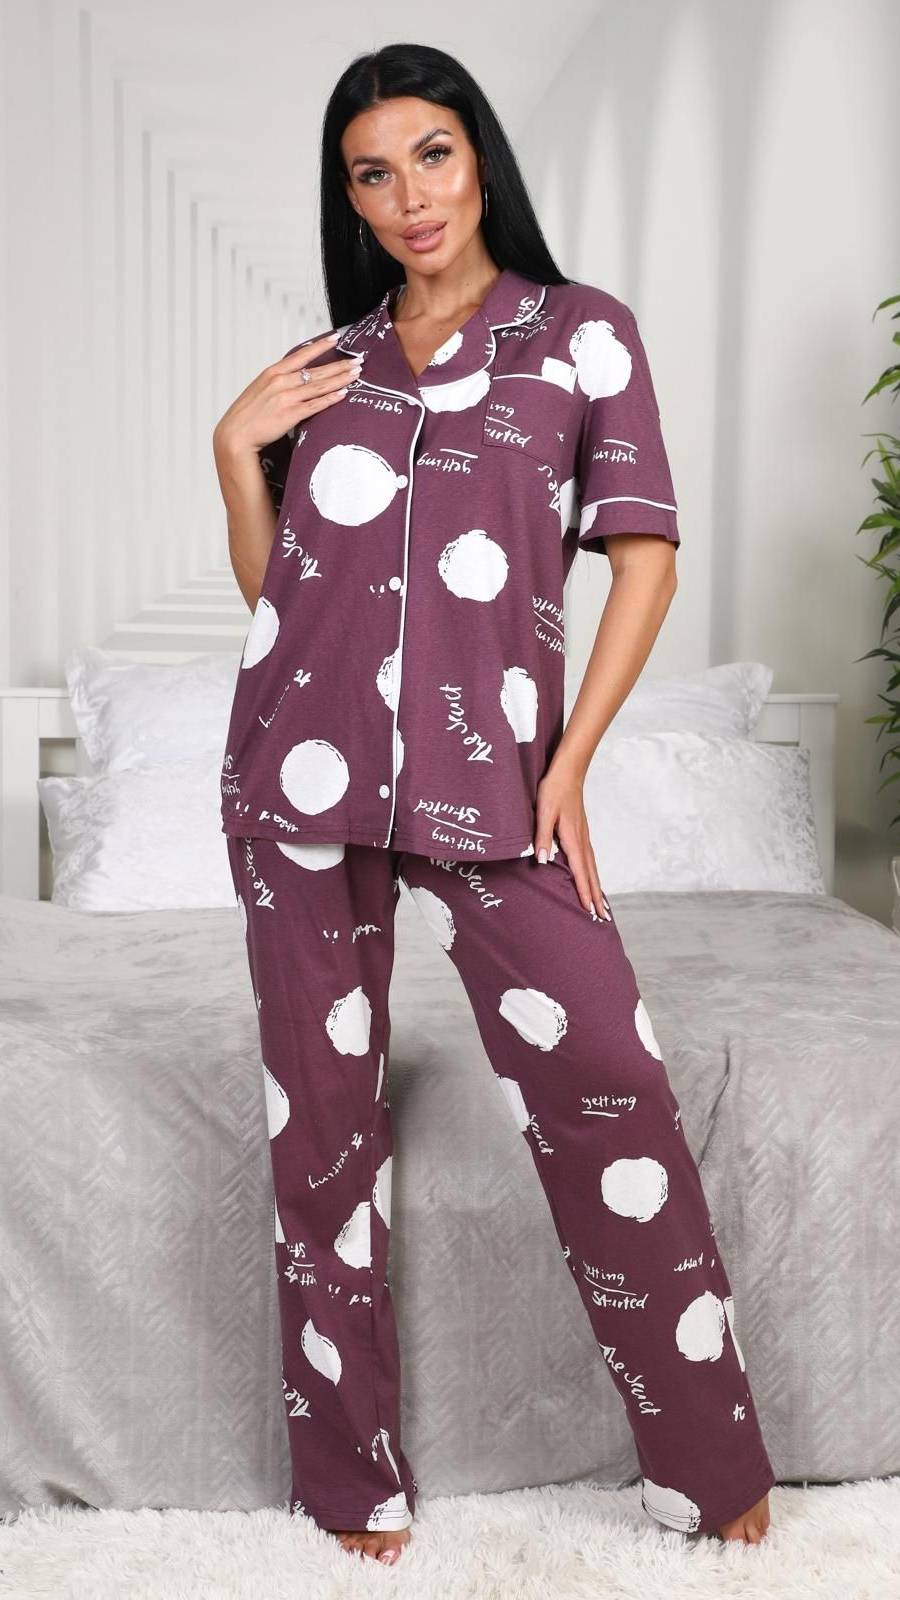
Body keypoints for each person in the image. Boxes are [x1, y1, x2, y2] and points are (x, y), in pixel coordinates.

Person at [212, 41, 775, 1568]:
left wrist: (569, 764)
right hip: (300, 778)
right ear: (348, 197)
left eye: (433, 154)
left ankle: (707, 1464)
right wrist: (235, 453)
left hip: (496, 785)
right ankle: (353, 1486)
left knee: (611, 1083)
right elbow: (290, 603)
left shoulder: (578, 336)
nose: (409, 195)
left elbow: (645, 558)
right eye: (372, 172)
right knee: (321, 1135)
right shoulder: (331, 366)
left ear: (480, 161)